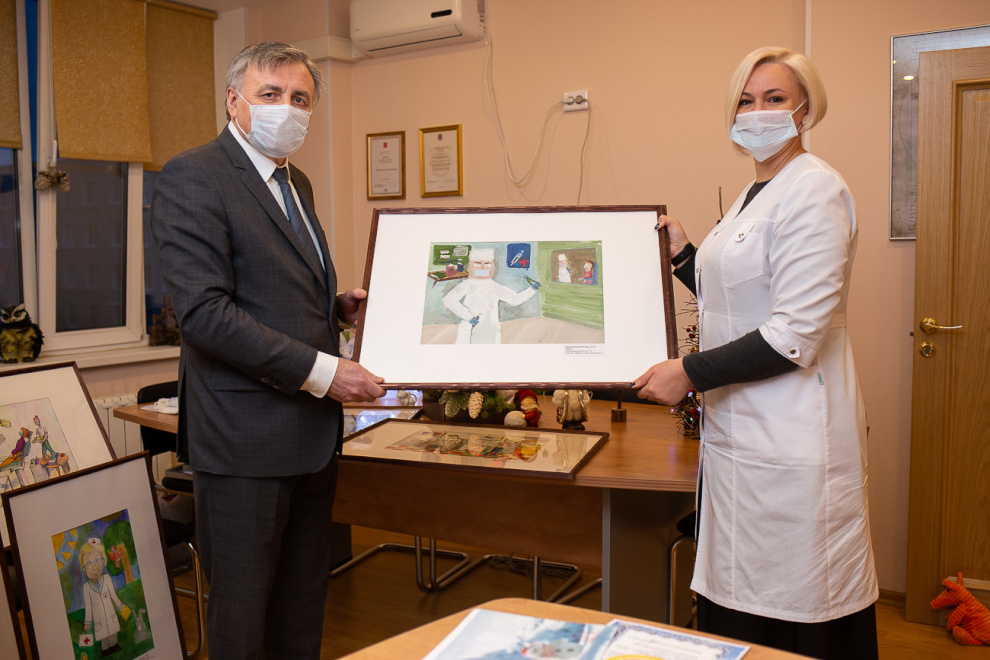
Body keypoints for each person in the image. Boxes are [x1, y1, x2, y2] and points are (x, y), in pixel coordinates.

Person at [633, 47, 878, 659]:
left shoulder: (814, 188)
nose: (757, 111)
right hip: (741, 434)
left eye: (774, 99)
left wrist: (687, 372)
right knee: (740, 601)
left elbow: (793, 332)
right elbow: (740, 300)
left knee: (799, 606)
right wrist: (684, 255)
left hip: (793, 432)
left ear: (805, 110)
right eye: (745, 100)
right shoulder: (755, 190)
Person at [151, 41, 386, 659]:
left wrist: (336, 309)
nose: (288, 108)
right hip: (244, 442)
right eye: (271, 94)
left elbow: (272, 293)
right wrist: (327, 372)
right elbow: (205, 315)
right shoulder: (193, 175)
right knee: (243, 622)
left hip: (310, 437)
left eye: (300, 98)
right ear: (234, 100)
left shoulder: (295, 180)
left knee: (299, 611)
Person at [441, 247, 540, 344]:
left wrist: (532, 290)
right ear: (470, 266)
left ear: (493, 266)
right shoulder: (467, 284)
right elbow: (448, 300)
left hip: (490, 328)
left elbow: (515, 299)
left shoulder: (494, 287)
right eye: (477, 264)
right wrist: (468, 317)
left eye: (487, 264)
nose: (482, 268)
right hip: (470, 326)